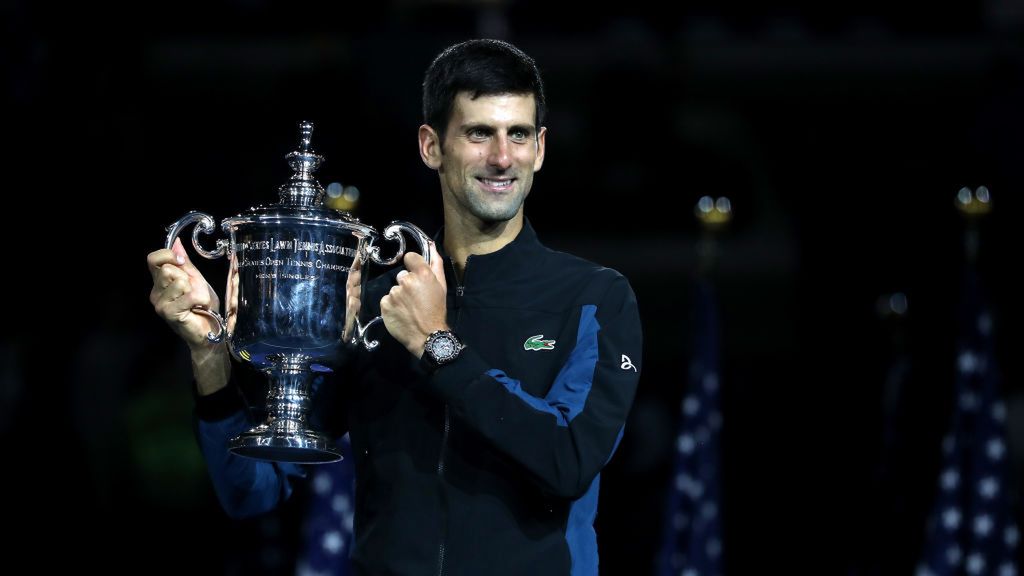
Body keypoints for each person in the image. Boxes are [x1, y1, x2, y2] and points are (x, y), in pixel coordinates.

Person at [147, 38, 643, 576]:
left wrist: (437, 345)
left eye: (518, 135)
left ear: (539, 149)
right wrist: (209, 357)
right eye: (479, 133)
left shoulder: (595, 297)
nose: (502, 158)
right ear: (431, 146)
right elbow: (253, 491)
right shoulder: (375, 306)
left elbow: (568, 460)